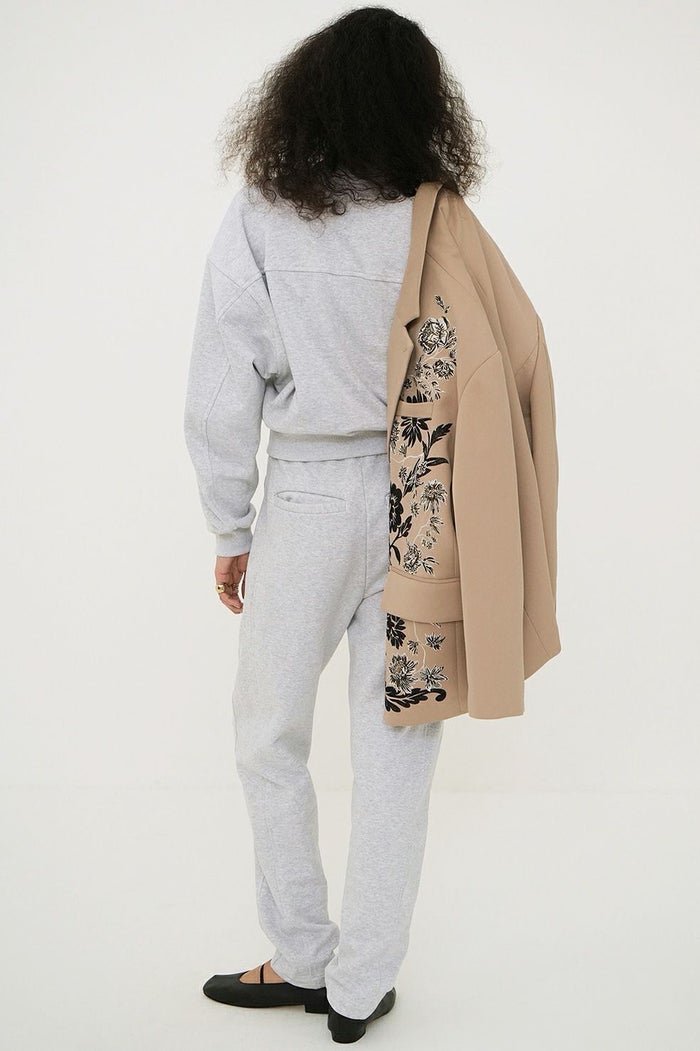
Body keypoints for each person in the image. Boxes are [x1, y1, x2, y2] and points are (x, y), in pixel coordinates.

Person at [183, 6, 488, 1042]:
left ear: (308, 93)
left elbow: (222, 387)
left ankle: (302, 955)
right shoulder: (437, 216)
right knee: (401, 744)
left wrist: (230, 525)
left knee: (269, 733)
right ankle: (361, 987)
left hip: (309, 497)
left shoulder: (266, 212)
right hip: (425, 495)